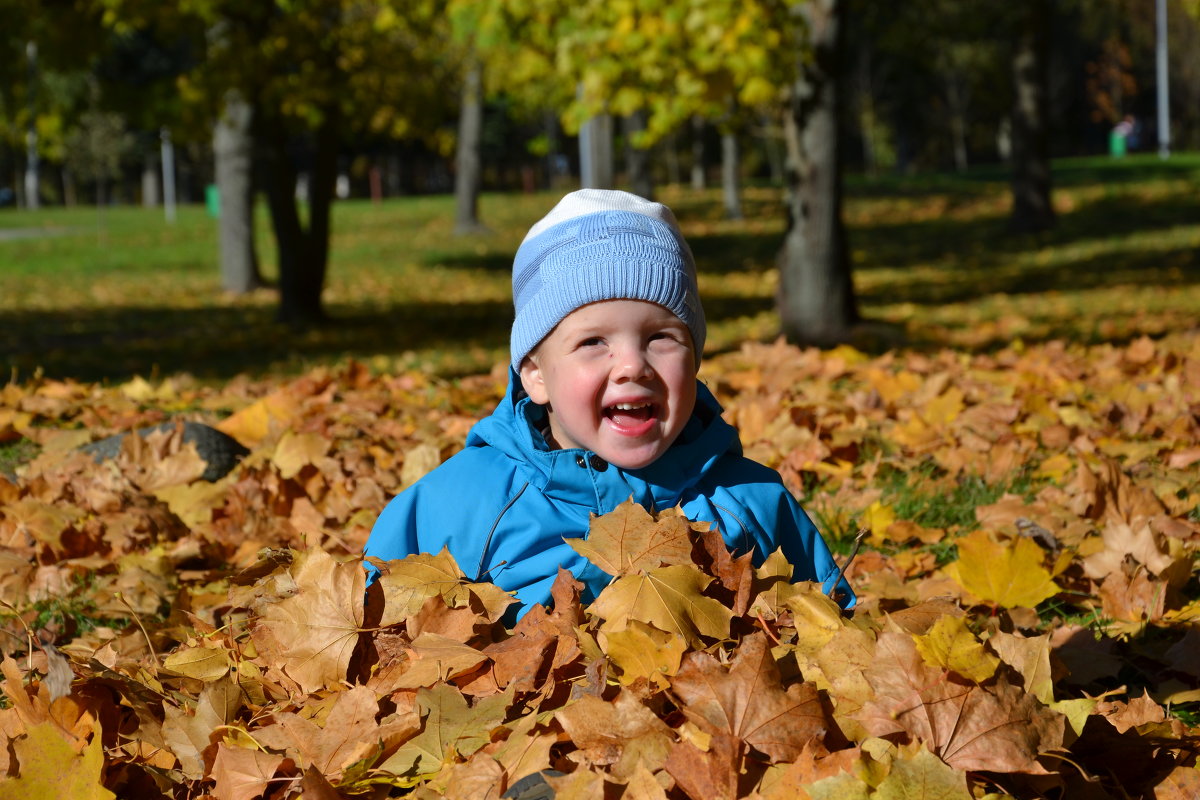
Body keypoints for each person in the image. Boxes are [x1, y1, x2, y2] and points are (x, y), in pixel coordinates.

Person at [364, 189, 853, 616]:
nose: (632, 366)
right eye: (593, 342)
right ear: (536, 376)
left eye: (661, 338)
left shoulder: (751, 502)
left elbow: (828, 630)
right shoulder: (462, 505)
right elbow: (382, 621)